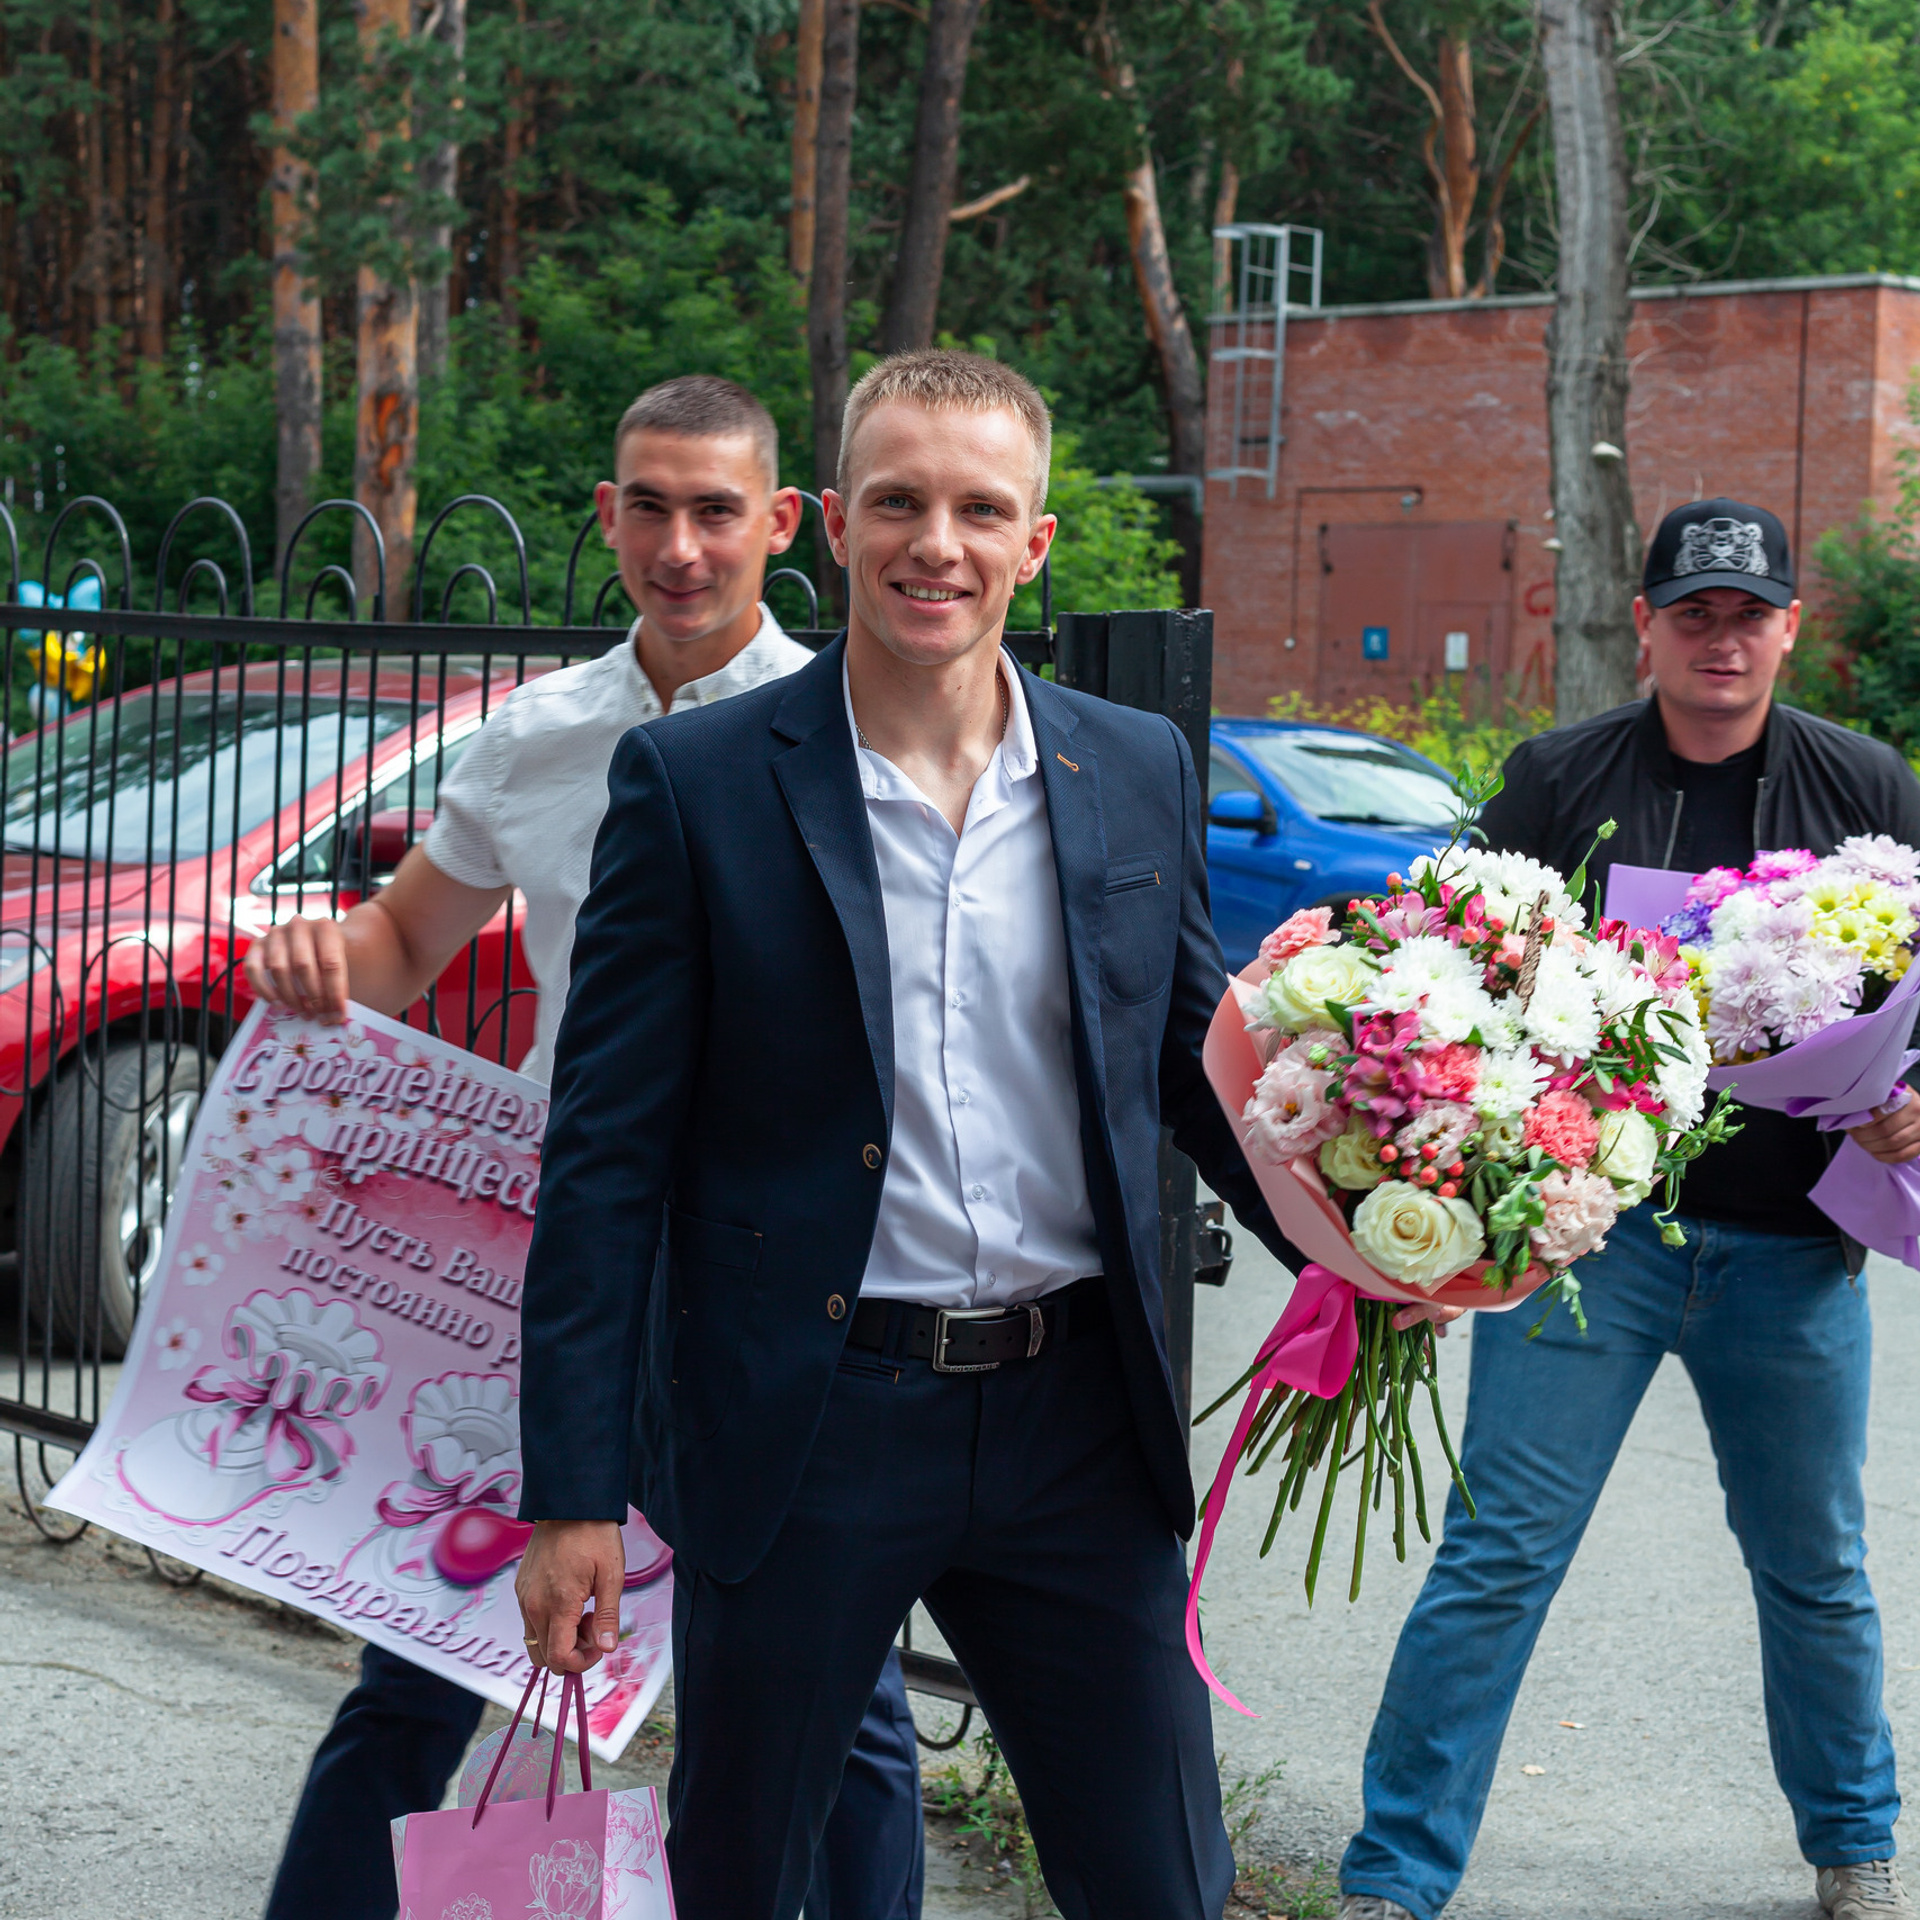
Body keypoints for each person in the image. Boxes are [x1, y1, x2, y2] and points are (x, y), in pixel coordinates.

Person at [508, 347, 1316, 1920]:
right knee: (750, 1878)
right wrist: (574, 1493)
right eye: (897, 502)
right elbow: (603, 1164)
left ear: (1036, 543)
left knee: (1162, 1884)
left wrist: (1361, 1252)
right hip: (810, 1421)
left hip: (1077, 1423)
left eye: (979, 509)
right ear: (835, 525)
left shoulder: (1132, 765)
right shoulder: (696, 782)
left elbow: (1195, 1062)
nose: (935, 544)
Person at [245, 375, 926, 1920]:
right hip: (576, 1269)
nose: (682, 546)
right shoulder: (537, 737)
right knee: (427, 1656)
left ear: (783, 522)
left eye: (716, 510)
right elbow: (404, 944)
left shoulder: (861, 732)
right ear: (609, 515)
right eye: (651, 508)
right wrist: (321, 958)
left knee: (842, 1704)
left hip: (776, 1281)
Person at [1337, 497, 1920, 1920]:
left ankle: (1858, 1848)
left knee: (1817, 1569)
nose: (1723, 640)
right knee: (1498, 1556)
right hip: (1591, 1245)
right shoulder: (1559, 777)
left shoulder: (1868, 786)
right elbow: (1447, 973)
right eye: (1694, 613)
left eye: (1750, 615)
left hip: (1795, 1252)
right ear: (1646, 625)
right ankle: (1393, 1876)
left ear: (1790, 628)